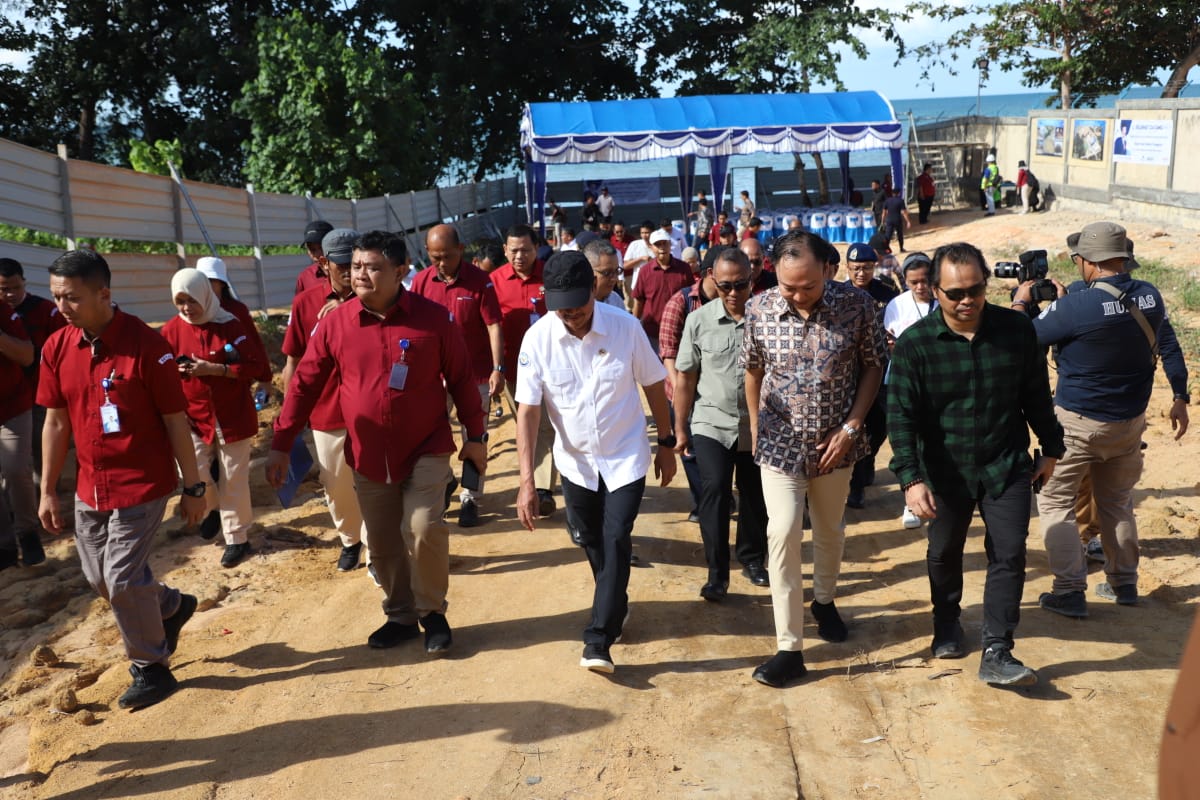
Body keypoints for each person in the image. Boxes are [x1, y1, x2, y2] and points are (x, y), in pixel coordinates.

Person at [268, 231, 486, 655]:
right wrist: (281, 440)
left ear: (401, 271)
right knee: (383, 542)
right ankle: (400, 616)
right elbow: (305, 385)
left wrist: (475, 436)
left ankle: (432, 613)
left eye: (372, 267)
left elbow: (460, 378)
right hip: (368, 453)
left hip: (426, 446)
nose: (360, 274)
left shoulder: (433, 319)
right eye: (355, 266)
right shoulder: (335, 323)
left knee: (423, 527)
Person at [888, 242, 1063, 687]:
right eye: (954, 293)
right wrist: (911, 478)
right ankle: (946, 623)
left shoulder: (1016, 331)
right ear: (935, 290)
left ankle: (997, 648)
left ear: (986, 283)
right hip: (944, 472)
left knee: (1009, 552)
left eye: (976, 290)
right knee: (944, 551)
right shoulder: (915, 346)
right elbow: (901, 417)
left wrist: (1051, 448)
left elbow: (1036, 394)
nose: (966, 301)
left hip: (1005, 464)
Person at [38, 249, 206, 709]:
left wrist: (193, 487)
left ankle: (152, 669)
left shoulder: (148, 348)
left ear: (103, 294)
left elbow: (176, 421)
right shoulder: (57, 347)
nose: (60, 307)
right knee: (100, 578)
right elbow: (55, 423)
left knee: (121, 578)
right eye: (55, 297)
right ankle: (170, 606)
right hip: (91, 486)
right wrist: (48, 489)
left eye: (70, 297)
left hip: (142, 482)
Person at [1013, 222, 1189, 617]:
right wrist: (1180, 394)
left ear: (1087, 261)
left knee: (1055, 501)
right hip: (1129, 423)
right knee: (1117, 501)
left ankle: (1069, 590)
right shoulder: (1150, 296)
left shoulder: (1076, 306)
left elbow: (1024, 339)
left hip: (1077, 424)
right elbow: (1151, 335)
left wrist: (1024, 302)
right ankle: (1124, 583)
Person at [514, 251, 676, 674]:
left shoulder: (625, 328)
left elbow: (655, 385)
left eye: (580, 309)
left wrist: (667, 441)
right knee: (591, 540)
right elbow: (528, 411)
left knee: (616, 535)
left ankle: (598, 638)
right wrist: (527, 480)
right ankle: (615, 602)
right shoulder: (538, 340)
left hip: (625, 455)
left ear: (595, 292)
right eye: (563, 311)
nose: (573, 318)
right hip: (575, 463)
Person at [741, 230, 886, 688]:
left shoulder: (858, 306)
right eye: (789, 287)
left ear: (827, 269)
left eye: (808, 286)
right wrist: (755, 426)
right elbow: (753, 370)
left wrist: (851, 427)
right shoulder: (758, 309)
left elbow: (872, 365)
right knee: (781, 532)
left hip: (834, 443)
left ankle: (824, 600)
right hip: (780, 441)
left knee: (829, 529)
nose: (799, 296)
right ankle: (790, 648)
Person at [674, 247, 768, 600]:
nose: (733, 293)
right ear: (711, 278)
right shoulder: (698, 321)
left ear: (752, 279)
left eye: (740, 285)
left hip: (757, 425)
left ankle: (752, 558)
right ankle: (717, 572)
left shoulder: (769, 319)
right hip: (711, 422)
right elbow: (685, 380)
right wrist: (681, 429)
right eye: (725, 285)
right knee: (714, 492)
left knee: (755, 494)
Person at [161, 268, 264, 568]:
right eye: (179, 301)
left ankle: (237, 537)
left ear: (204, 296)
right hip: (192, 416)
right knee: (195, 471)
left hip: (232, 415)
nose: (186, 308)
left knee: (234, 478)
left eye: (191, 300)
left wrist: (216, 369)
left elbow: (256, 366)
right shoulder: (171, 330)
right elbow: (160, 368)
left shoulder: (230, 324)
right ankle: (214, 508)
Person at [282, 228, 370, 572]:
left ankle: (378, 541)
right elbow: (292, 360)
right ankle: (351, 539)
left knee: (377, 481)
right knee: (335, 482)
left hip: (369, 407)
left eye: (356, 262)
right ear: (323, 263)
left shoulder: (375, 297)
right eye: (343, 264)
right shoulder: (305, 304)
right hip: (326, 410)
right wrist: (292, 411)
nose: (351, 271)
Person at [411, 224, 505, 528]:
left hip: (474, 376)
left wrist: (497, 368)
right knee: (430, 436)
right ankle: (445, 483)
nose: (441, 263)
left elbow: (493, 325)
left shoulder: (480, 282)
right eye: (435, 256)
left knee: (474, 436)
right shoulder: (421, 283)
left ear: (461, 251)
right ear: (427, 253)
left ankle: (470, 498)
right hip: (433, 378)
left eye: (447, 256)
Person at [492, 224, 558, 515]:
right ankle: (529, 479)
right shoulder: (492, 281)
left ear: (536, 249)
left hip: (551, 365)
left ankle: (543, 488)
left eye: (526, 250)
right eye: (513, 250)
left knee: (545, 424)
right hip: (512, 369)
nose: (519, 256)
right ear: (505, 250)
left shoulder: (551, 275)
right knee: (523, 423)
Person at [0, 257, 66, 497]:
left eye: (16, 287)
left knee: (45, 451)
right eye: (4, 289)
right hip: (11, 400)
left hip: (41, 394)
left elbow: (64, 351)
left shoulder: (45, 311)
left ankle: (49, 499)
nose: (11, 294)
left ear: (24, 283)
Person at [882, 252, 937, 530]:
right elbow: (889, 341)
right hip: (905, 382)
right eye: (913, 282)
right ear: (905, 281)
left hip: (940, 383)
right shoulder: (896, 305)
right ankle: (911, 500)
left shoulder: (945, 300)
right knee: (911, 440)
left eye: (925, 280)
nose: (920, 287)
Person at [842, 243, 898, 510]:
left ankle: (869, 459)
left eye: (865, 268)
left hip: (882, 371)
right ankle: (856, 485)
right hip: (849, 374)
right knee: (857, 427)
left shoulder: (887, 295)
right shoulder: (837, 294)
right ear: (847, 268)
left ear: (873, 267)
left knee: (880, 425)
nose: (860, 273)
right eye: (855, 269)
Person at [0, 296, 38, 569]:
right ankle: (5, 546)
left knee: (16, 469)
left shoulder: (2, 310)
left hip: (12, 406)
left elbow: (26, 355)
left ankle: (28, 533)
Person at [633, 229, 694, 356]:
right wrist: (633, 326)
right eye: (658, 244)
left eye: (664, 243)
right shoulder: (645, 271)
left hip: (679, 332)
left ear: (670, 244)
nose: (662, 248)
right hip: (652, 333)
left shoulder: (684, 269)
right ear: (651, 247)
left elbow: (692, 298)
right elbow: (639, 301)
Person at [620, 220, 657, 313]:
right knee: (638, 311)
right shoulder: (635, 245)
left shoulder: (658, 245)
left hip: (655, 285)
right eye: (642, 233)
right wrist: (640, 259)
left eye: (647, 233)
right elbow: (625, 265)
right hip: (638, 285)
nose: (645, 235)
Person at [582, 239, 626, 310]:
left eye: (617, 271)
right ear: (588, 271)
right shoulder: (578, 306)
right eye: (607, 272)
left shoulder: (615, 300)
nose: (614, 278)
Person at [295, 220, 335, 296]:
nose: (317, 254)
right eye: (312, 249)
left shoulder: (349, 273)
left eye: (321, 247)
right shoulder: (304, 277)